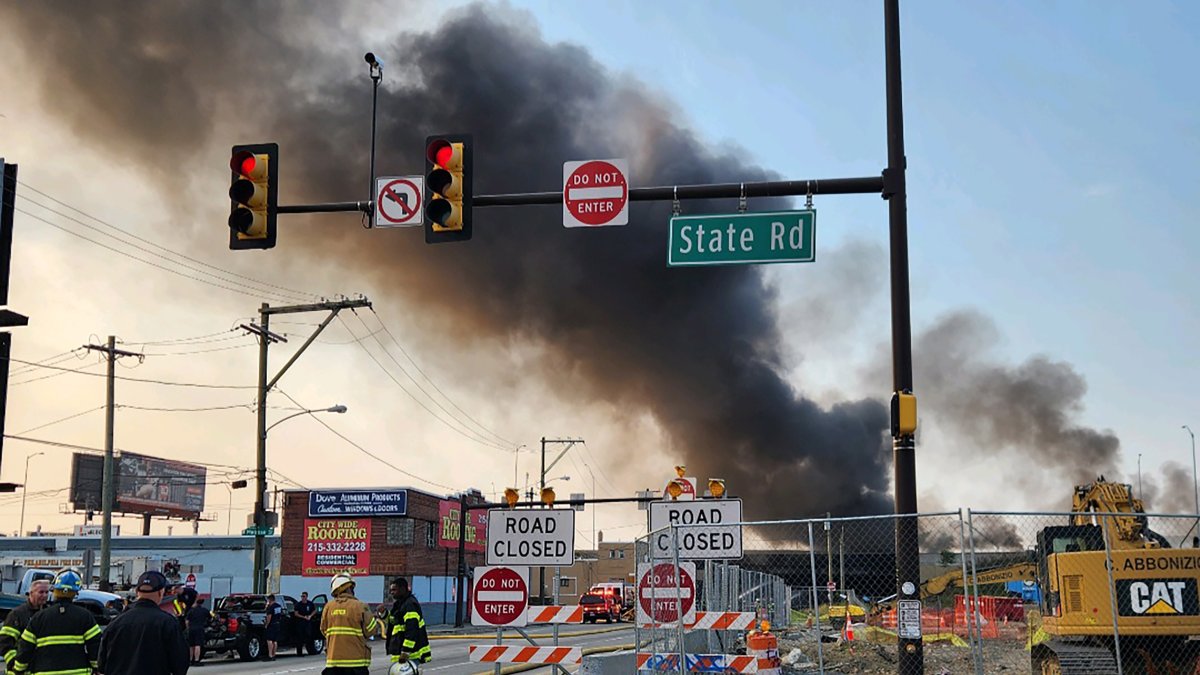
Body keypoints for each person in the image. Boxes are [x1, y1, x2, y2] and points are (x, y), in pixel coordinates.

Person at [98, 570, 189, 675]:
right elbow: (180, 664)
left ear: (137, 591)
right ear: (161, 592)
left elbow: (102, 665)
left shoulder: (115, 623)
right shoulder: (168, 623)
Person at [12, 569, 100, 675]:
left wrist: (18, 670)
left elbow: (25, 649)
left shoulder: (39, 617)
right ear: (75, 593)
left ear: (55, 591)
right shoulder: (85, 616)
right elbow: (96, 646)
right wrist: (96, 668)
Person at [320, 573, 378, 675]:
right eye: (351, 587)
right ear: (347, 588)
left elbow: (323, 629)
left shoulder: (328, 607)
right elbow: (371, 630)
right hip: (356, 663)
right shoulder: (360, 606)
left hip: (333, 662)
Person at [0, 579, 49, 669]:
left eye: (47, 592)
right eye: (41, 592)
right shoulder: (17, 614)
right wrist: (14, 663)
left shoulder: (48, 613)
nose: (45, 595)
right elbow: (4, 642)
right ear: (31, 593)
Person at [385, 578, 431, 666]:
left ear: (403, 589)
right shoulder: (399, 604)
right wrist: (384, 614)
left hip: (411, 655)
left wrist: (406, 651)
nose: (391, 592)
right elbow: (394, 621)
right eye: (391, 590)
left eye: (394, 590)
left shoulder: (410, 605)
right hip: (402, 651)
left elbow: (412, 629)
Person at [185, 597, 211, 666]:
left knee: (191, 645)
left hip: (191, 629)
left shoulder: (191, 611)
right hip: (199, 628)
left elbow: (187, 621)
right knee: (197, 645)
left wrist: (188, 628)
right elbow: (210, 618)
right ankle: (196, 660)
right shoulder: (204, 610)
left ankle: (190, 660)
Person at [293, 591, 317, 656]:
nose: (302, 598)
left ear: (306, 597)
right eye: (302, 596)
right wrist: (303, 617)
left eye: (304, 596)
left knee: (309, 637)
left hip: (308, 623)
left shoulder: (310, 604)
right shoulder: (298, 604)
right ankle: (299, 653)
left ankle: (311, 651)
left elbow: (315, 610)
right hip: (300, 623)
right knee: (300, 638)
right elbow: (296, 613)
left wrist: (310, 616)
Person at [263, 593, 282, 661]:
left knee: (269, 640)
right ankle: (274, 655)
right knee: (275, 641)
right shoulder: (278, 606)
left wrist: (266, 624)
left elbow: (269, 617)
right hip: (277, 624)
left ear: (270, 600)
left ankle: (270, 655)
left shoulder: (271, 607)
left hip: (272, 624)